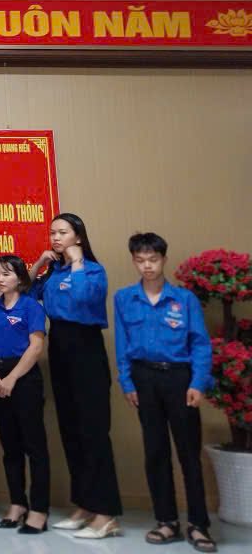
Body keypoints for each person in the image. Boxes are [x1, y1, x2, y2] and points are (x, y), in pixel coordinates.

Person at [114, 233, 215, 552]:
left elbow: (200, 344)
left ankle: (198, 524)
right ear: (134, 261)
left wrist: (197, 382)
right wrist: (128, 383)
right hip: (144, 378)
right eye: (140, 260)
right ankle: (166, 521)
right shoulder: (124, 298)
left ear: (163, 260)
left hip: (180, 379)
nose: (147, 266)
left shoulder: (184, 299)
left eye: (153, 260)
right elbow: (122, 344)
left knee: (188, 453)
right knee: (155, 452)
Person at [30, 212, 123, 539]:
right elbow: (27, 294)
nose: (56, 238)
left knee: (93, 432)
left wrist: (78, 262)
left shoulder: (93, 270)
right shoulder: (54, 273)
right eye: (52, 233)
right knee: (70, 430)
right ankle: (85, 504)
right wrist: (41, 262)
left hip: (86, 348)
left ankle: (106, 514)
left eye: (63, 232)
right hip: (60, 347)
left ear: (78, 237)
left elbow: (84, 298)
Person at [0, 254, 50, 534]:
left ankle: (39, 509)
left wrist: (12, 378)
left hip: (24, 378)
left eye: (7, 274)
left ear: (20, 278)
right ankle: (17, 503)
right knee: (10, 445)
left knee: (34, 446)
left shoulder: (31, 306)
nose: (0, 279)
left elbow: (36, 347)